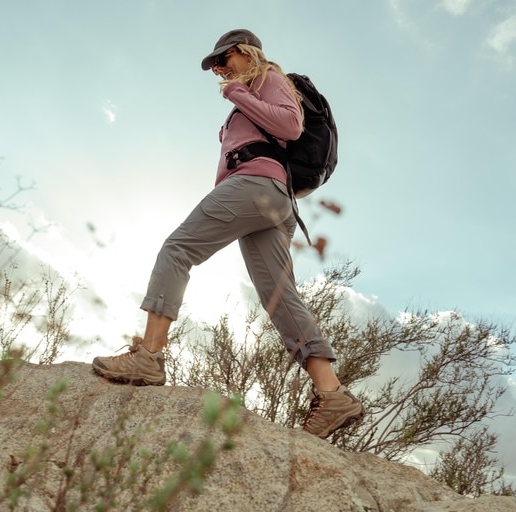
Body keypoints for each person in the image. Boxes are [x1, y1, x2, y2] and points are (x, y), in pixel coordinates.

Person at [92, 29, 363, 439]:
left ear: (242, 51)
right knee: (279, 296)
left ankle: (149, 356)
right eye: (217, 66)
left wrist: (238, 92)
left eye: (222, 60)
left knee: (178, 249)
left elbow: (290, 126)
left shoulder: (267, 76)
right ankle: (333, 393)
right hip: (273, 200)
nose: (219, 70)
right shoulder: (251, 89)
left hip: (257, 187)